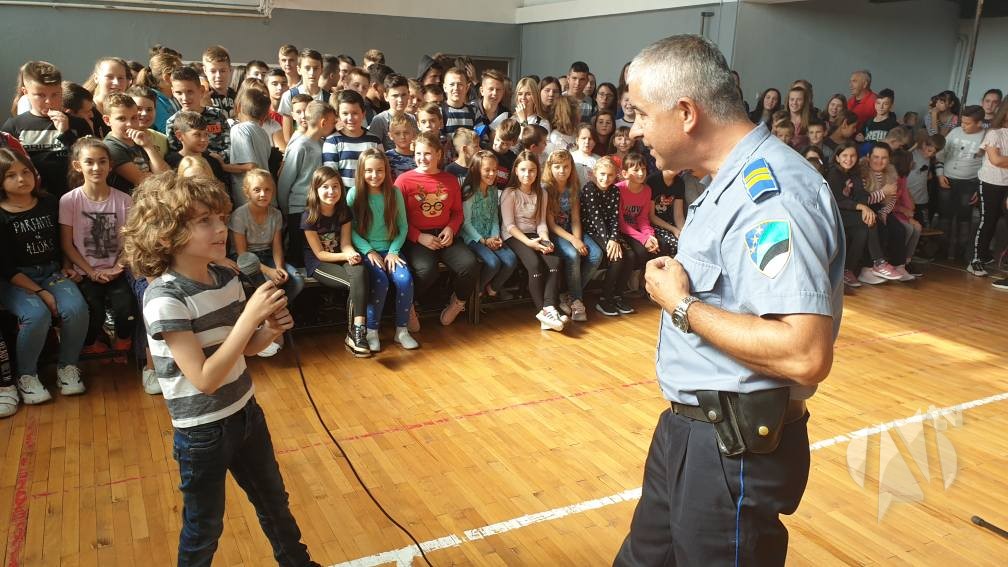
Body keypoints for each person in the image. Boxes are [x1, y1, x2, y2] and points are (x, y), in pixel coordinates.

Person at [613, 35, 843, 566]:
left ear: (686, 113)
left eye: (641, 113)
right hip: (692, 430)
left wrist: (682, 305)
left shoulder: (771, 197)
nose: (635, 129)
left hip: (731, 449)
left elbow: (804, 352)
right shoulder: (726, 183)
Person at [121, 171, 319, 567]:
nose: (220, 229)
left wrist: (268, 330)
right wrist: (250, 318)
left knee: (274, 502)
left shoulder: (226, 277)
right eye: (204, 221)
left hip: (246, 413)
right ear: (166, 235)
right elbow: (205, 378)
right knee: (204, 527)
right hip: (203, 433)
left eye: (221, 218)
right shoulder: (164, 297)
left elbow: (242, 350)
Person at [0, 148, 89, 408]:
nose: (21, 179)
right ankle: (26, 376)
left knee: (76, 308)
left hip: (51, 271)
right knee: (36, 314)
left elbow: (64, 242)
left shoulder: (50, 202)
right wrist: (41, 293)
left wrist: (68, 266)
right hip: (15, 279)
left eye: (26, 172)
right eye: (11, 175)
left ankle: (68, 367)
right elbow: (5, 268)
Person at [60, 138, 136, 361]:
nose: (96, 167)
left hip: (117, 270)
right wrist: (90, 272)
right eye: (89, 162)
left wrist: (117, 267)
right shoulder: (69, 201)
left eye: (102, 161)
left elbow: (131, 241)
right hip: (85, 271)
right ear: (78, 166)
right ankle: (92, 344)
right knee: (93, 310)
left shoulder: (124, 200)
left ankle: (122, 343)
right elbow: (67, 244)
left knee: (126, 308)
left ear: (110, 165)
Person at [395, 130, 478, 327]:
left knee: (469, 265)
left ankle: (458, 302)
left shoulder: (449, 180)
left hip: (445, 235)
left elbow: (457, 213)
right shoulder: (403, 181)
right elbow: (397, 218)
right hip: (417, 238)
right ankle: (408, 305)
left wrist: (450, 229)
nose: (422, 158)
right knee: (426, 270)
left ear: (438, 154)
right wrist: (418, 236)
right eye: (418, 154)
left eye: (427, 153)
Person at [347, 149, 419, 351]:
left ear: (386, 171)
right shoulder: (354, 194)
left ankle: (401, 331)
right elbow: (349, 230)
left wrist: (394, 251)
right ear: (361, 171)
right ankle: (371, 331)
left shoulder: (394, 193)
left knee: (404, 280)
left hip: (391, 250)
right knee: (380, 282)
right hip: (367, 251)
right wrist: (368, 251)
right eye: (369, 170)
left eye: (379, 170)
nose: (374, 175)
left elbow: (403, 226)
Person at [229, 169, 304, 357]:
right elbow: (242, 254)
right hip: (245, 259)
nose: (263, 194)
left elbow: (277, 246)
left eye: (267, 189)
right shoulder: (239, 215)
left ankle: (270, 317)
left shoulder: (276, 214)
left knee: (296, 280)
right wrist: (269, 271)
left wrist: (278, 267)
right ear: (247, 192)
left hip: (268, 256)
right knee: (267, 284)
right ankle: (268, 325)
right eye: (257, 190)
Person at [301, 166, 371, 357]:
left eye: (335, 186)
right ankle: (355, 335)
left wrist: (352, 254)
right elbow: (320, 254)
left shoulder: (343, 211)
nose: (331, 191)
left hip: (341, 256)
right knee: (355, 283)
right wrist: (345, 256)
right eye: (325, 187)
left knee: (360, 272)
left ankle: (357, 330)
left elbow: (346, 243)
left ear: (341, 188)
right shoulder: (309, 216)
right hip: (319, 263)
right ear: (315, 190)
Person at [2, 61, 91, 199]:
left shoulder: (78, 124)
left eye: (55, 94)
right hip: (33, 200)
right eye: (40, 95)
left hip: (74, 197)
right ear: (26, 92)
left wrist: (66, 133)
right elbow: (7, 168)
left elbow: (91, 159)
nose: (49, 101)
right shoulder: (14, 126)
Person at [500, 150, 566, 331]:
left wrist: (545, 240)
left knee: (555, 262)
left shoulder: (541, 193)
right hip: (514, 236)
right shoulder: (510, 193)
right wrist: (530, 243)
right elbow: (510, 226)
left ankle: (549, 307)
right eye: (523, 170)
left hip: (534, 234)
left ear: (537, 172)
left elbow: (541, 223)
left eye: (531, 170)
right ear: (516, 171)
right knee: (535, 265)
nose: (527, 174)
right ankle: (542, 312)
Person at [543, 149, 600, 321]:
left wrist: (578, 239)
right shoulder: (546, 189)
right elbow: (552, 225)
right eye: (557, 167)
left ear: (571, 168)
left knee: (596, 255)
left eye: (566, 166)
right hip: (555, 233)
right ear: (550, 168)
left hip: (572, 230)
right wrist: (574, 241)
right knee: (573, 254)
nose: (562, 170)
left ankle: (569, 294)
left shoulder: (573, 187)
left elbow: (575, 219)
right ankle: (577, 300)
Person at [278, 101, 337, 264]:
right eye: (332, 122)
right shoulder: (300, 146)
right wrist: (286, 210)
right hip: (298, 209)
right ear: (323, 122)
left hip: (315, 208)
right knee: (297, 253)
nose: (334, 126)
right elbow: (285, 182)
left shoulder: (322, 144)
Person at [580, 157, 633, 317]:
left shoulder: (615, 190)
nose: (606, 178)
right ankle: (604, 298)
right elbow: (595, 218)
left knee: (630, 255)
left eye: (610, 175)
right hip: (592, 230)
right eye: (602, 174)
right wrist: (609, 241)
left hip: (609, 232)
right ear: (595, 173)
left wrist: (614, 238)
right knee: (616, 257)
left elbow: (615, 217)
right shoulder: (589, 188)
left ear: (615, 175)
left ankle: (617, 295)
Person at [462, 150, 517, 300]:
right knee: (493, 263)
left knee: (511, 260)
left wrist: (495, 236)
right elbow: (466, 223)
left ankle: (492, 288)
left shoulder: (493, 190)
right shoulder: (469, 191)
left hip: (490, 236)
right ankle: (476, 292)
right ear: (476, 170)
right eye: (487, 170)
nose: (492, 174)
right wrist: (484, 241)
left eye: (495, 170)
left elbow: (493, 217)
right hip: (473, 238)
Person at [969, 102, 1008, 277]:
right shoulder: (994, 133)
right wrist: (1001, 159)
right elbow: (996, 160)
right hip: (991, 182)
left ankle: (992, 256)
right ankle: (976, 259)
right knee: (988, 221)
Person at [322, 90, 383, 191]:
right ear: (338, 115)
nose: (350, 118)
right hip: (343, 197)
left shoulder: (374, 141)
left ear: (363, 114)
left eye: (355, 113)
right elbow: (330, 176)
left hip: (369, 195)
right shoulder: (332, 142)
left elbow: (381, 170)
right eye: (345, 113)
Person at [277, 49, 327, 144]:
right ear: (299, 69)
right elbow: (288, 136)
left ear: (321, 70)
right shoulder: (289, 95)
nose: (312, 73)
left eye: (316, 68)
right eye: (307, 68)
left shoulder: (328, 97)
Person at [202, 46, 236, 119]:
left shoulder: (237, 96)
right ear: (205, 70)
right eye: (213, 71)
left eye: (223, 71)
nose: (218, 75)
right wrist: (203, 108)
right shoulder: (202, 96)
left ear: (230, 69)